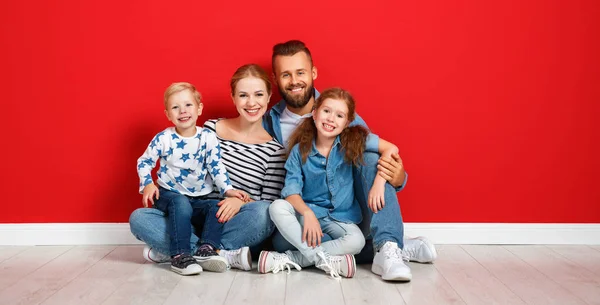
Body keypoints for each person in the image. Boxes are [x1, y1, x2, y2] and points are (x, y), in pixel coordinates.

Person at [263, 40, 437, 281]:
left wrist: (397, 178)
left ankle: (387, 246)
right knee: (283, 237)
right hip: (304, 214)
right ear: (276, 79)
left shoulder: (337, 113)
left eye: (300, 72)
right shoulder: (266, 120)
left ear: (313, 73)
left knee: (368, 155)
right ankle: (382, 247)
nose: (294, 81)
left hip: (346, 213)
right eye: (286, 74)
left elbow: (381, 156)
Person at [130, 65, 286, 271]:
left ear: (268, 97)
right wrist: (149, 182)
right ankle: (219, 255)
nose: (251, 102)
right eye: (243, 95)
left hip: (230, 223)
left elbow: (270, 203)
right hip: (191, 216)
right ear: (233, 97)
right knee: (139, 218)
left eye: (258, 94)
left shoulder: (274, 151)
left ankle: (181, 250)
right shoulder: (211, 130)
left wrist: (238, 202)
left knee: (264, 212)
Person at [259, 88, 401, 279]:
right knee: (277, 208)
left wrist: (378, 182)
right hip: (306, 219)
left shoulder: (354, 141)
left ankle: (293, 259)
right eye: (326, 111)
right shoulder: (299, 151)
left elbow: (391, 148)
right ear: (315, 113)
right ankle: (327, 258)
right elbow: (291, 191)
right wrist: (307, 213)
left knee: (357, 241)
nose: (331, 119)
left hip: (340, 219)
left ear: (347, 122)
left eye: (339, 115)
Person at [137, 82, 249, 275]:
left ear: (199, 108)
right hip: (169, 195)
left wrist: (227, 190)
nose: (183, 111)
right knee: (177, 204)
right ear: (168, 114)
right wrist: (147, 183)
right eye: (175, 107)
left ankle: (206, 249)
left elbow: (216, 167)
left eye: (188, 105)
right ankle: (180, 255)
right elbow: (144, 162)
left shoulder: (208, 137)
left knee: (217, 206)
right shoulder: (164, 139)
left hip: (199, 199)